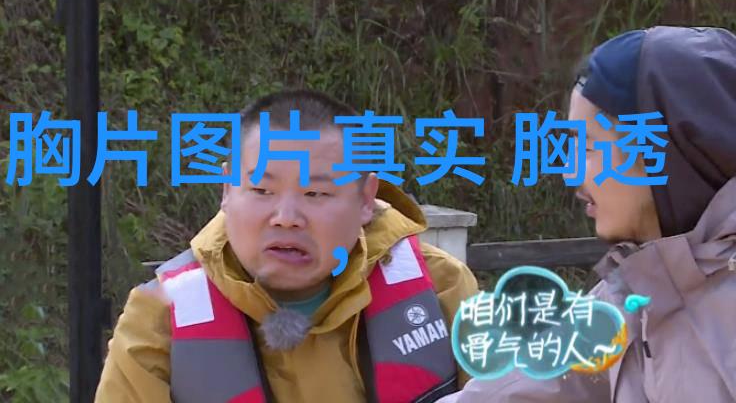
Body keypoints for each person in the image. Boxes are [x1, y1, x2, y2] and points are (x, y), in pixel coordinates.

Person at [95, 90, 479, 403]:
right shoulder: (160, 317)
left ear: (365, 200)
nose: (286, 217)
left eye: (315, 193)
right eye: (262, 190)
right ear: (227, 190)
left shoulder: (440, 285)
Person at [438, 26, 736, 402]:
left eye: (588, 147)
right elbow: (517, 388)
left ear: (668, 149)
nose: (571, 174)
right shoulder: (639, 291)